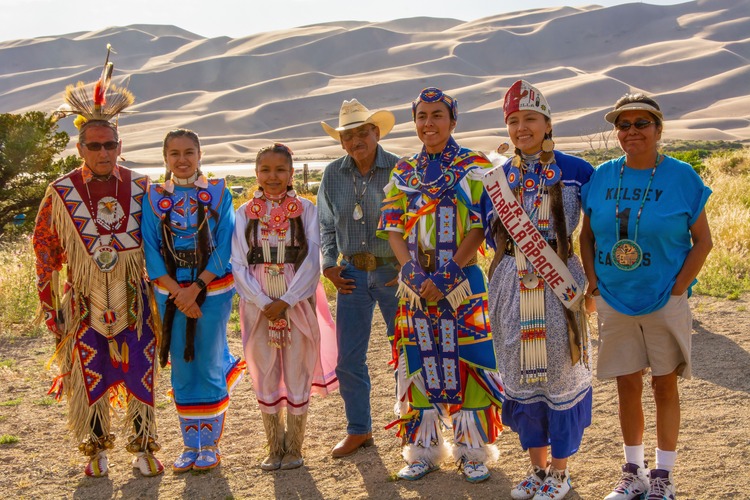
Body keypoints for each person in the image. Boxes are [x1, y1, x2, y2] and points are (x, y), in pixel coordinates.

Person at [32, 48, 164, 477]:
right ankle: (95, 450)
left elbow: (166, 241)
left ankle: (143, 447)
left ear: (120, 145)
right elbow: (46, 250)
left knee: (140, 370)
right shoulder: (61, 192)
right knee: (88, 373)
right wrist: (53, 308)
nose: (104, 152)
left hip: (134, 299)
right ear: (80, 147)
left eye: (111, 145)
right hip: (85, 302)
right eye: (95, 146)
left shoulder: (142, 187)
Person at [580, 93, 712, 500]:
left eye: (641, 123)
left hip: (663, 300)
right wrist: (594, 283)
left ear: (658, 129)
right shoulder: (602, 176)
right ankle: (632, 472)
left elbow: (702, 241)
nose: (631, 131)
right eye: (623, 124)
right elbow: (585, 236)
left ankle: (663, 478)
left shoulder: (682, 176)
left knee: (664, 386)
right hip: (615, 300)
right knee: (626, 386)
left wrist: (676, 289)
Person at [378, 87, 503, 483]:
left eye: (437, 115)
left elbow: (481, 225)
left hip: (462, 283)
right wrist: (412, 274)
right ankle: (423, 450)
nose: (428, 124)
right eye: (421, 117)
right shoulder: (403, 172)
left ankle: (471, 451)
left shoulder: (473, 167)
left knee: (469, 359)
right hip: (414, 286)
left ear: (453, 120)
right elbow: (393, 228)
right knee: (417, 361)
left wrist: (448, 274)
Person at [485, 80, 594, 500]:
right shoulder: (496, 178)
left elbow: (596, 232)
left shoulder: (578, 172)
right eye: (513, 121)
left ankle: (561, 473)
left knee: (560, 372)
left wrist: (595, 286)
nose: (520, 128)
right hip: (512, 287)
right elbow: (490, 234)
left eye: (529, 119)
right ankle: (537, 469)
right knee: (521, 371)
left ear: (548, 123)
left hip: (559, 287)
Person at [142, 129, 245, 472]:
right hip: (170, 290)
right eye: (174, 153)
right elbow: (150, 249)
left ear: (200, 155)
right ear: (165, 158)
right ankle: (190, 443)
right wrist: (177, 290)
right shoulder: (154, 197)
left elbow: (226, 243)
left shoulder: (218, 193)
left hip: (211, 288)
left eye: (189, 152)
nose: (182, 159)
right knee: (181, 365)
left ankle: (211, 444)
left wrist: (196, 287)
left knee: (208, 359)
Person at [231, 143, 338, 471]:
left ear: (292, 173)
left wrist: (287, 300)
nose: (273, 176)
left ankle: (294, 447)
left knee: (296, 366)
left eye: (280, 170)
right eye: (266, 170)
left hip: (294, 302)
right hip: (257, 303)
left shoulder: (306, 209)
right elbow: (237, 261)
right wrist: (263, 302)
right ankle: (272, 446)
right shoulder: (244, 213)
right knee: (263, 369)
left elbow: (312, 257)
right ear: (256, 173)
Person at [318, 99, 401, 458]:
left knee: (407, 351)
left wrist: (408, 267)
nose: (355, 141)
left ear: (376, 133)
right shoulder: (332, 174)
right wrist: (328, 266)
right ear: (341, 142)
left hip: (393, 274)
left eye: (362, 133)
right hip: (350, 274)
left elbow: (413, 224)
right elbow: (325, 225)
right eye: (348, 136)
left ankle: (415, 427)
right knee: (348, 359)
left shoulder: (400, 169)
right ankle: (359, 430)